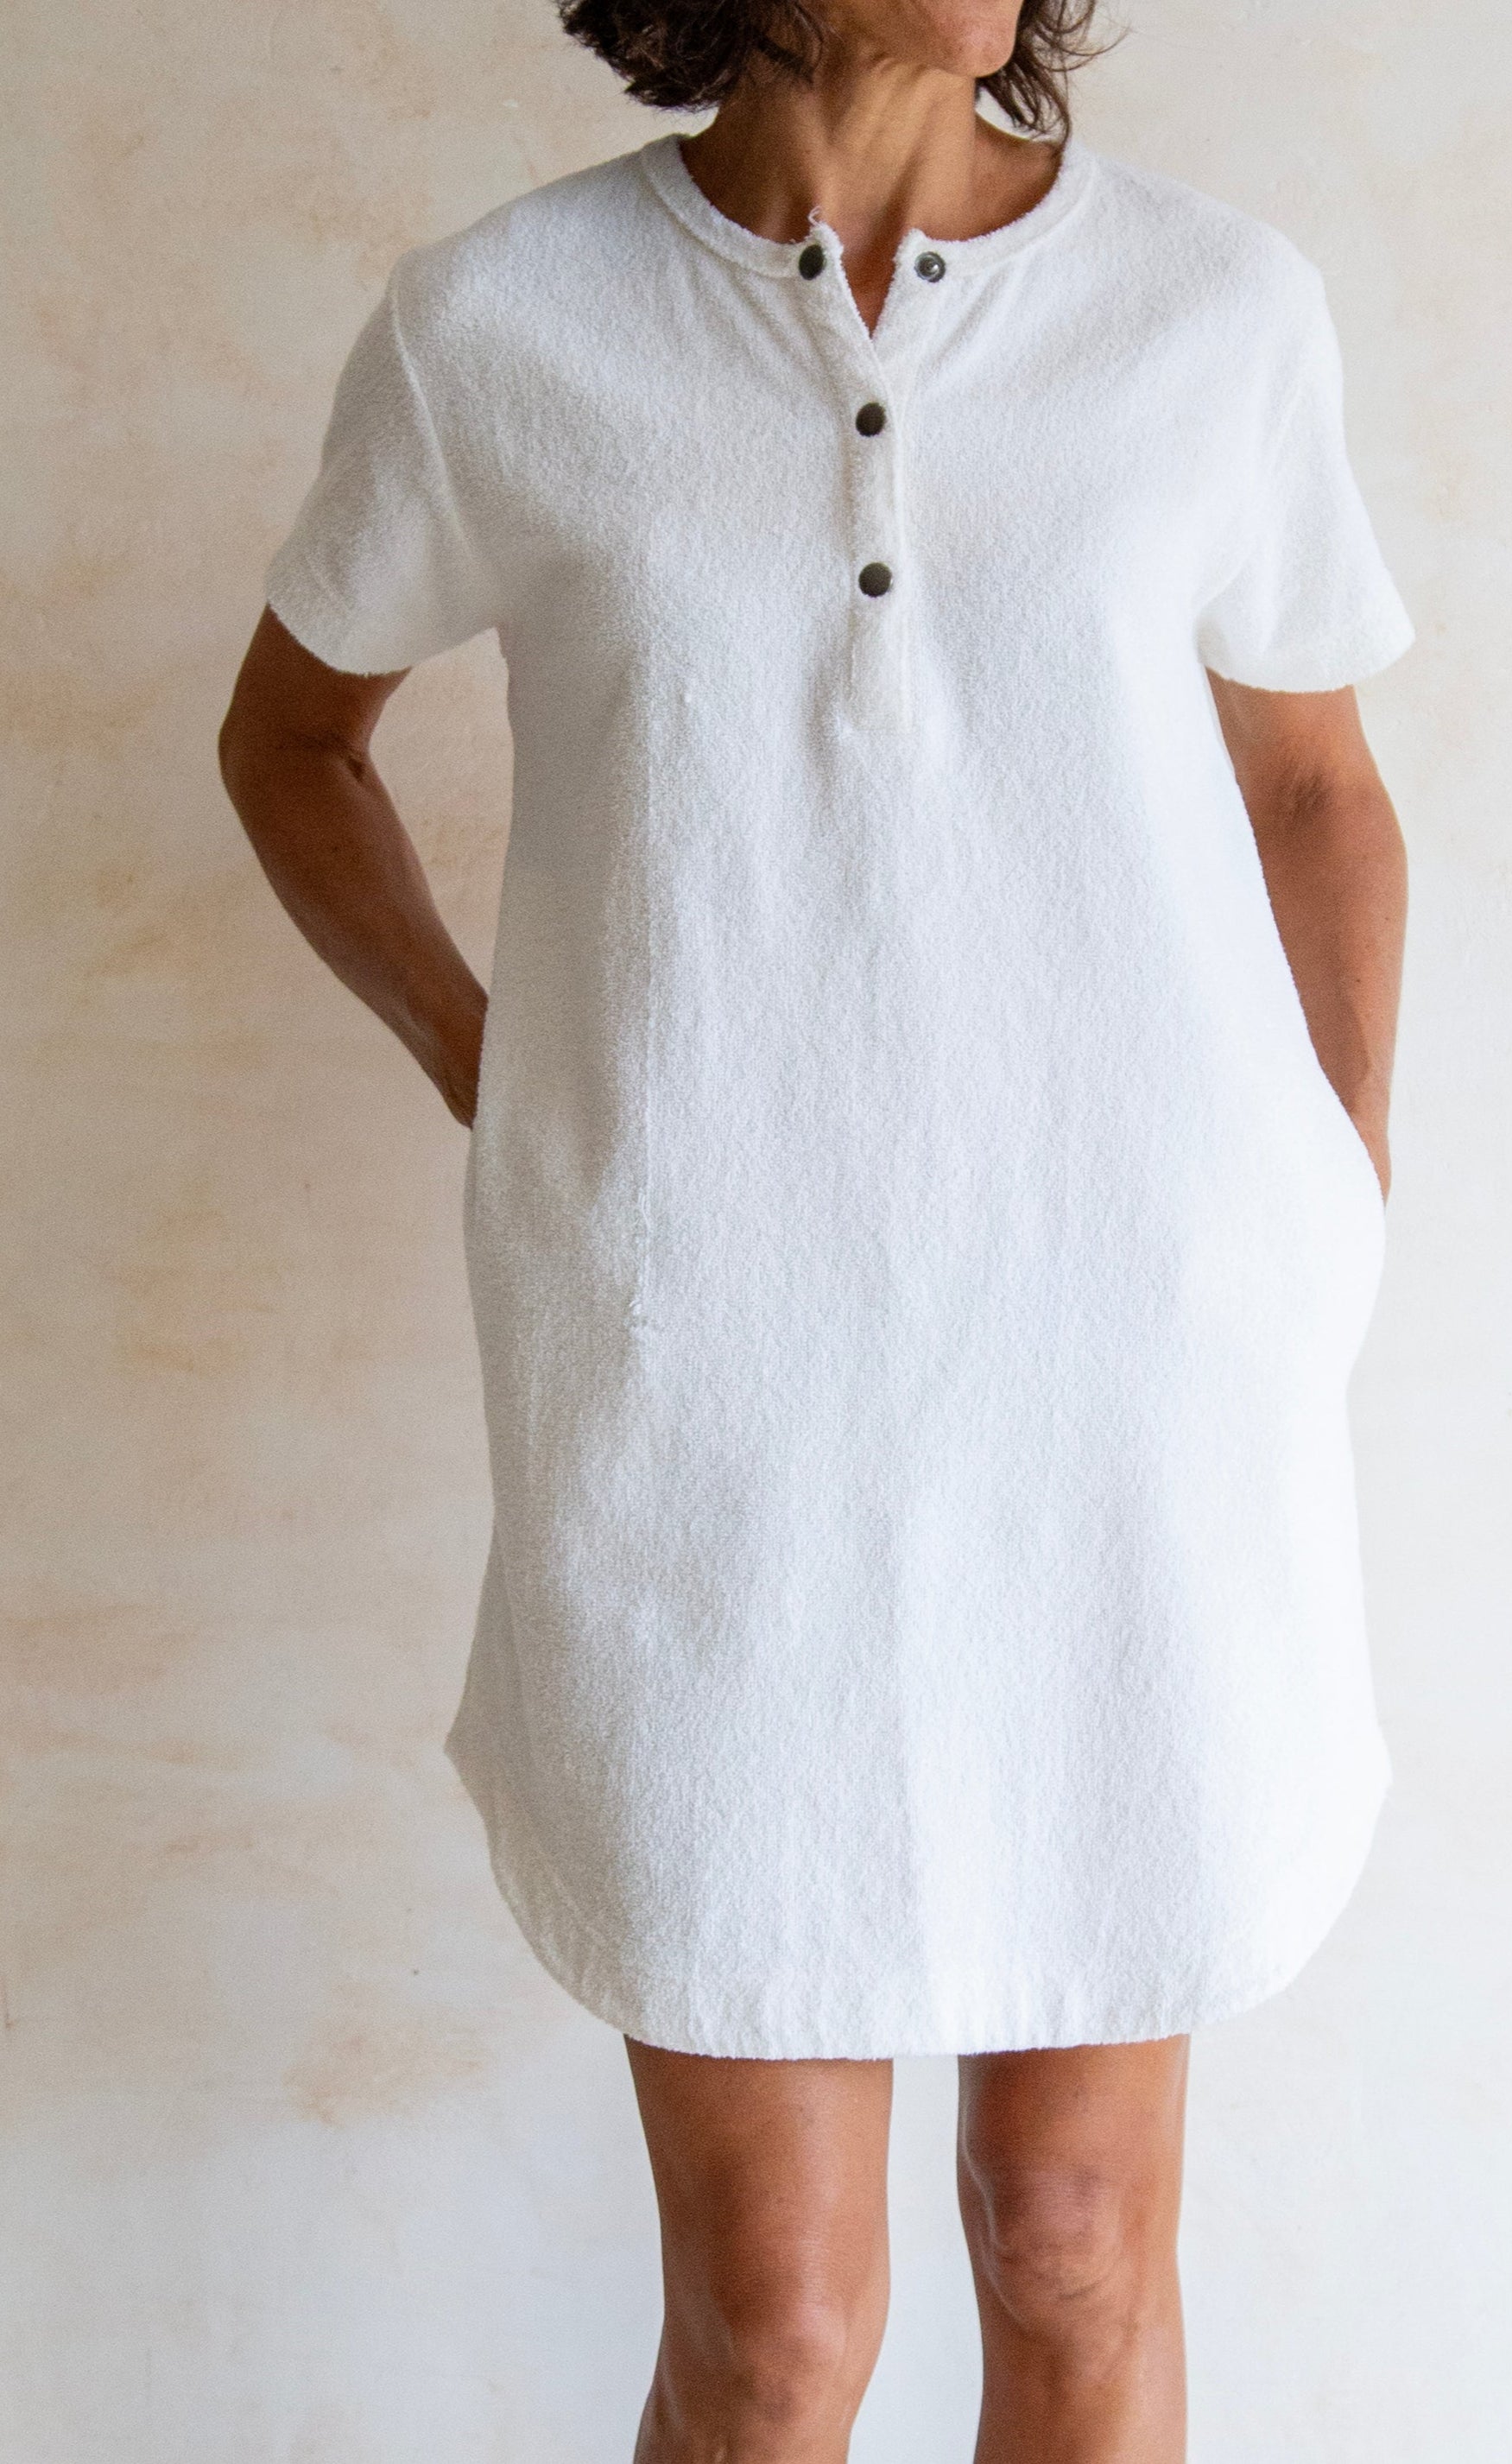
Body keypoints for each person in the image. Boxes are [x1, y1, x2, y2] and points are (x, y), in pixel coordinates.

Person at [219, 0, 1413, 2453]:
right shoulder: (501, 331)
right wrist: (496, 1058)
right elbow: (292, 735)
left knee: (1073, 2241)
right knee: (776, 2323)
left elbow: (1316, 783)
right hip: (712, 1399)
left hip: (1128, 1382)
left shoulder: (1215, 309)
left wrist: (1333, 1187)